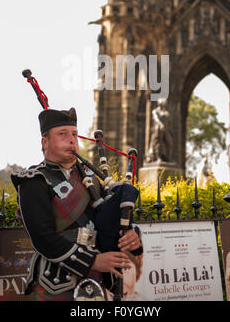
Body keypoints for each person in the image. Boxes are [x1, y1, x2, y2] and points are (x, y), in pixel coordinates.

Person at [11, 108, 142, 301]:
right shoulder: (34, 180)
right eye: (62, 134)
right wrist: (93, 261)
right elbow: (43, 238)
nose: (72, 140)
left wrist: (131, 235)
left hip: (97, 280)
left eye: (74, 134)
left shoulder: (92, 179)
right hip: (55, 281)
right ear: (44, 142)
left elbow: (108, 221)